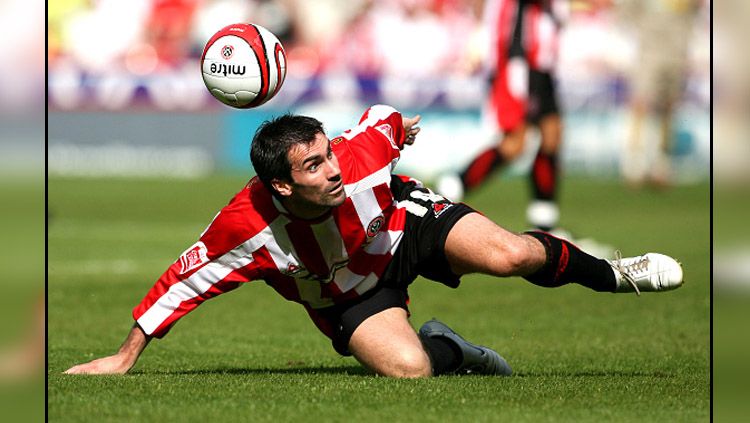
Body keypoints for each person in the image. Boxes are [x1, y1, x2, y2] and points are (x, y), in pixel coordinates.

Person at [64, 105, 683, 378]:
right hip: (348, 296)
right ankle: (457, 351)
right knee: (410, 371)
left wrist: (402, 127)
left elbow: (383, 119)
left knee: (512, 254)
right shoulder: (245, 229)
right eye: (313, 167)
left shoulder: (357, 159)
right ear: (281, 185)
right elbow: (183, 282)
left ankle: (616, 273)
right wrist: (124, 357)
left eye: (328, 155)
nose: (332, 171)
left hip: (406, 227)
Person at [437, 0, 567, 232]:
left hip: (541, 65)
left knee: (552, 135)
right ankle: (454, 185)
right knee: (515, 143)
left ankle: (544, 218)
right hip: (521, 61)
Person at [616, 0, 702, 188]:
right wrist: (639, 32)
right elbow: (625, 11)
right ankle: (634, 163)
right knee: (640, 102)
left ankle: (661, 162)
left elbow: (695, 10)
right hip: (648, 50)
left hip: (677, 51)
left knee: (668, 106)